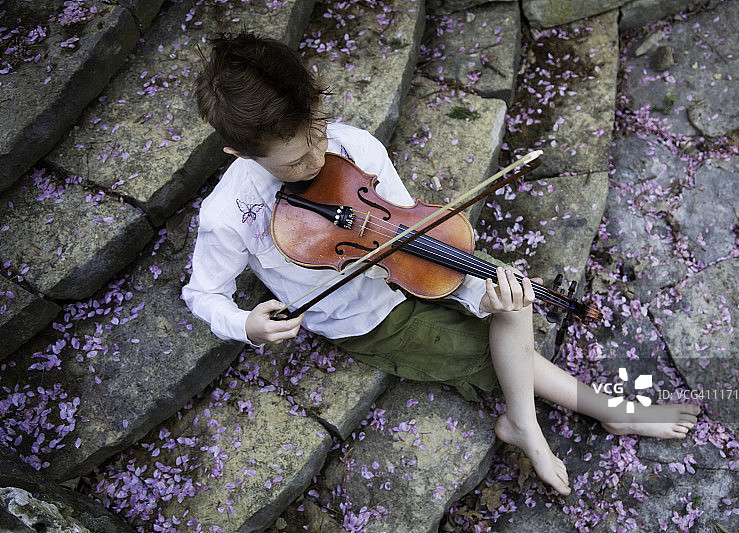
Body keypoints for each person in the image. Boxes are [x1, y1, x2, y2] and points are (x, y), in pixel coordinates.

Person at [182, 32, 700, 496]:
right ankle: (604, 412)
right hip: (367, 317)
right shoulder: (228, 215)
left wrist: (471, 285)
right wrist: (245, 325)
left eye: (318, 131)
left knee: (511, 293)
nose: (318, 158)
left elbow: (402, 222)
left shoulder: (353, 147)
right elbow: (202, 294)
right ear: (238, 153)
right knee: (482, 348)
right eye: (295, 161)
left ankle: (526, 421)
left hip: (414, 260)